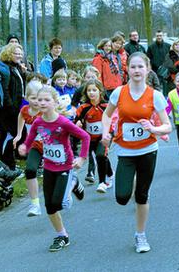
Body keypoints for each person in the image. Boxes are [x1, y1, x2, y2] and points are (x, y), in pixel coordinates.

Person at [101, 52, 172, 253]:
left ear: (147, 69)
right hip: (125, 150)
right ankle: (130, 183)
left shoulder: (155, 96)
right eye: (133, 67)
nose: (137, 70)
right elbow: (106, 116)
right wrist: (106, 132)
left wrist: (153, 128)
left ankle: (140, 235)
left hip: (148, 150)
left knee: (142, 195)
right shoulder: (118, 93)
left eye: (141, 67)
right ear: (128, 69)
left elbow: (167, 126)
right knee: (122, 197)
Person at [19, 85, 90, 252]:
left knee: (60, 203)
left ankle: (73, 182)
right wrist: (25, 147)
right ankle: (62, 235)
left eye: (46, 100)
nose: (42, 103)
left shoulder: (63, 122)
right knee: (50, 206)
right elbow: (30, 139)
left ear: (55, 102)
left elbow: (85, 136)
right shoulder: (38, 122)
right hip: (49, 167)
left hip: (65, 166)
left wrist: (82, 157)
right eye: (39, 99)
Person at [75, 79, 114, 193]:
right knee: (102, 157)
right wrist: (78, 123)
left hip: (105, 135)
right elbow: (77, 120)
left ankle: (102, 182)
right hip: (90, 137)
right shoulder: (84, 108)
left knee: (100, 155)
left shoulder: (106, 106)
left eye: (94, 90)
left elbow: (114, 118)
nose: (91, 93)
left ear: (100, 91)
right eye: (89, 90)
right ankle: (111, 174)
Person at [13, 80, 43, 216]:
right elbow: (21, 117)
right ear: (26, 98)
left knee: (55, 174)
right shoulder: (25, 110)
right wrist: (19, 135)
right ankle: (35, 204)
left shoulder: (46, 110)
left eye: (39, 98)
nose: (37, 101)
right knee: (30, 170)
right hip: (34, 146)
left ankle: (71, 182)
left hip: (51, 146)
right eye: (33, 98)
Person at [0, 43, 28, 169]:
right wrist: (11, 107)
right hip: (7, 110)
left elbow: (21, 86)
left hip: (17, 107)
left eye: (20, 53)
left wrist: (24, 72)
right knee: (8, 135)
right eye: (16, 53)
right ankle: (7, 165)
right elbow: (5, 90)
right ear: (9, 54)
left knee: (19, 134)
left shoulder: (17, 67)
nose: (19, 56)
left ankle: (12, 163)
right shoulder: (6, 69)